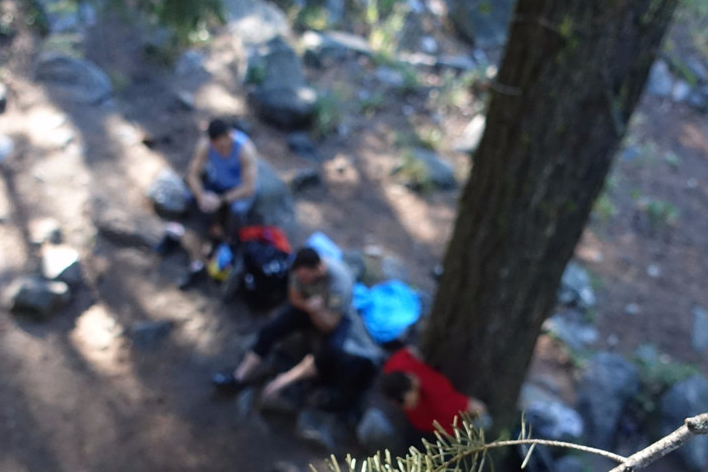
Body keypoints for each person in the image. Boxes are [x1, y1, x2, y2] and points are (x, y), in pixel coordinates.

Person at [213, 246, 355, 392]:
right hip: (308, 306)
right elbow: (294, 298)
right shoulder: (298, 271)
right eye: (301, 278)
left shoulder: (340, 282)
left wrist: (316, 311)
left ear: (318, 269)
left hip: (331, 316)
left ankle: (284, 382)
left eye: (306, 278)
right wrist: (309, 307)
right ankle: (239, 378)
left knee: (332, 352)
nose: (303, 281)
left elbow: (330, 325)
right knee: (270, 329)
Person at [181, 119, 259, 290]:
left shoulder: (245, 150)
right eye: (215, 145)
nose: (219, 149)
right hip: (219, 184)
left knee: (237, 211)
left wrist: (221, 200)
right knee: (191, 199)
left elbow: (249, 188)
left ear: (228, 136)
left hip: (239, 190)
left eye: (221, 145)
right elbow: (192, 175)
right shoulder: (206, 145)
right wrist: (201, 196)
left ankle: (229, 245)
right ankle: (208, 236)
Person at [380, 346, 488, 437]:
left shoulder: (394, 365)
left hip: (446, 403)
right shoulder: (395, 366)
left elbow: (477, 408)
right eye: (411, 403)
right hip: (444, 418)